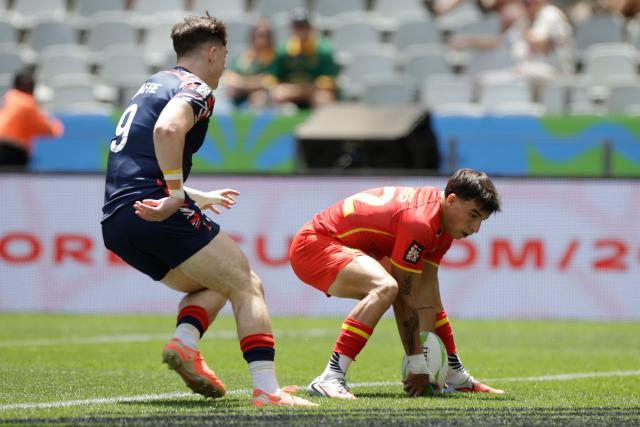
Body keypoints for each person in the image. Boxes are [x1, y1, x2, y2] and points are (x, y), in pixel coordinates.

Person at [100, 13, 316, 408]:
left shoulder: (152, 84)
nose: (226, 63)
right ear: (213, 53)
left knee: (213, 282)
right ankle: (267, 389)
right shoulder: (195, 87)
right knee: (247, 283)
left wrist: (195, 195)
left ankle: (184, 343)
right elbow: (168, 131)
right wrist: (178, 195)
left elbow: (139, 161)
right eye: (226, 55)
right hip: (157, 212)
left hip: (117, 221)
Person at [288, 169, 504, 399]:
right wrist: (419, 365)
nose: (476, 228)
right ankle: (330, 377)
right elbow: (404, 298)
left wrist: (443, 365)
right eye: (473, 215)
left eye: (482, 220)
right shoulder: (421, 223)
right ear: (451, 200)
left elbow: (427, 298)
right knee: (386, 288)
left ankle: (455, 374)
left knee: (409, 291)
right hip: (314, 246)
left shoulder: (442, 225)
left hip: (341, 246)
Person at [269, 9, 338, 109]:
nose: (300, 29)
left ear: (310, 27)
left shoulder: (322, 50)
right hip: (289, 91)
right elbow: (272, 78)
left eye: (303, 26)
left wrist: (306, 89)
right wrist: (283, 87)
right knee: (278, 94)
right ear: (292, 28)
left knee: (324, 98)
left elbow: (329, 80)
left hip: (314, 91)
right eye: (297, 26)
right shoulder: (283, 50)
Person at [0, 68, 64, 170]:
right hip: (13, 151)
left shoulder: (7, 99)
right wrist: (57, 126)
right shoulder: (28, 104)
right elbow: (46, 130)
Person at [223, 20, 277, 109]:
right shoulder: (242, 58)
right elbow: (229, 79)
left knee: (259, 97)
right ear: (252, 37)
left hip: (263, 98)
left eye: (266, 36)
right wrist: (253, 82)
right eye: (259, 35)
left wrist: (242, 83)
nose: (263, 40)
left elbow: (268, 82)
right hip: (237, 95)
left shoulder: (273, 59)